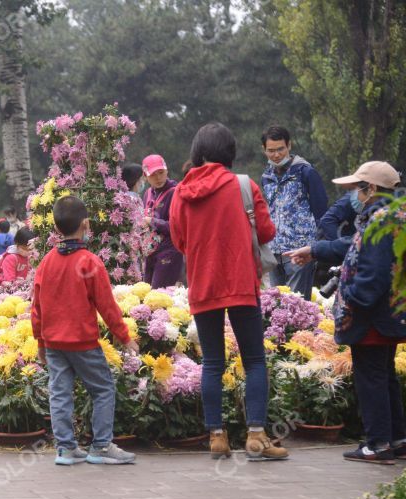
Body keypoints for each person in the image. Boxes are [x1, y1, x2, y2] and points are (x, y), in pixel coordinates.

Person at [170, 122, 288, 461]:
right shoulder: (243, 185)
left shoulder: (182, 192)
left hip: (203, 285)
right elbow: (265, 231)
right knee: (253, 360)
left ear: (197, 151)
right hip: (240, 284)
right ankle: (255, 435)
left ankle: (217, 438)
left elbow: (180, 240)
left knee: (211, 362)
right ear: (230, 152)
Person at [285, 162, 405, 464]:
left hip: (372, 317)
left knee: (372, 377)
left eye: (357, 188)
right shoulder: (390, 216)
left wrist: (350, 299)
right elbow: (352, 245)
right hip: (388, 314)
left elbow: (373, 274)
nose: (354, 194)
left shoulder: (381, 221)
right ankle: (396, 439)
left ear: (372, 189)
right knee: (384, 375)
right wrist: (315, 249)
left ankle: (377, 445)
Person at [33, 196, 139, 466]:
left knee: (60, 393)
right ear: (86, 224)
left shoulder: (46, 263)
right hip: (83, 343)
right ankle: (101, 446)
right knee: (102, 389)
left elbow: (37, 308)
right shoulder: (90, 262)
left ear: (56, 229)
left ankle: (66, 449)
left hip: (54, 343)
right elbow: (107, 305)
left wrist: (40, 343)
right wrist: (125, 337)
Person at [260, 125, 328, 299]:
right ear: (264, 150)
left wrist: (315, 249)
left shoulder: (306, 172)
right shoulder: (266, 177)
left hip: (300, 252)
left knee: (297, 306)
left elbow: (322, 213)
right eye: (271, 150)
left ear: (289, 146)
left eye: (281, 149)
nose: (276, 155)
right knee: (276, 307)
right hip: (275, 252)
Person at [142, 154, 184, 288]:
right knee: (145, 294)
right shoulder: (147, 193)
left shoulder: (175, 192)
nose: (158, 178)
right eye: (153, 174)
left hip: (169, 251)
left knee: (159, 296)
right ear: (145, 176)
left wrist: (152, 221)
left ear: (167, 171)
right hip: (150, 252)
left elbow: (177, 227)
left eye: (161, 172)